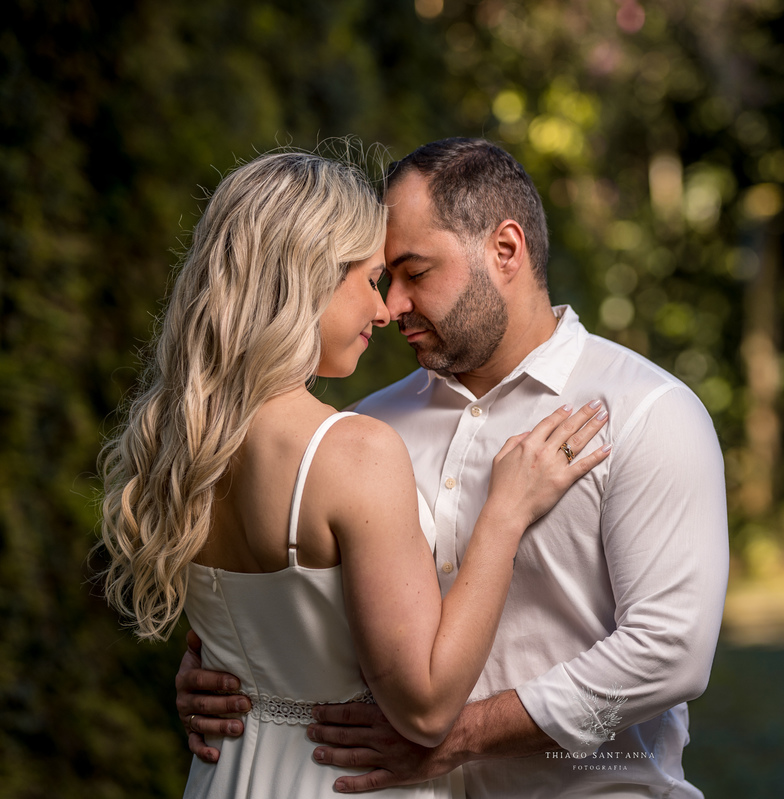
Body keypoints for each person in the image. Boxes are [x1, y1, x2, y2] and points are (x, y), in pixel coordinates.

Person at [176, 138, 730, 797]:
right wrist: (225, 675)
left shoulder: (647, 412)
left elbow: (670, 657)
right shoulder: (362, 428)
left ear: (504, 251)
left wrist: (463, 732)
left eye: (414, 271)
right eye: (383, 278)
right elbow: (305, 613)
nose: (394, 305)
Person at [97, 150, 611, 798]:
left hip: (224, 774)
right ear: (308, 277)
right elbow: (424, 708)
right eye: (370, 281)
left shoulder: (187, 441)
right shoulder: (355, 451)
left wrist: (210, 678)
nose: (385, 310)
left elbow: (248, 640)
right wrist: (505, 515)